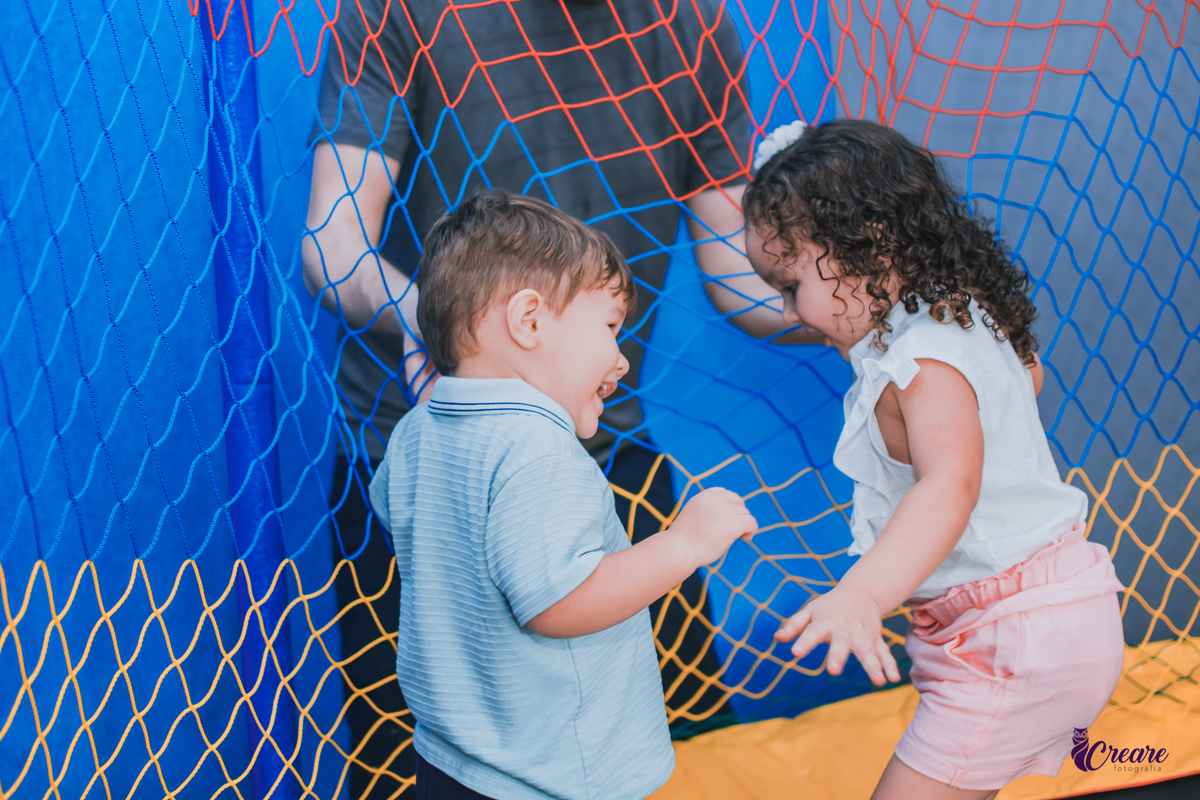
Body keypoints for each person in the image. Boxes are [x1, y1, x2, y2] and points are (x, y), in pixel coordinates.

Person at [303, 2, 816, 793]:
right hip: (430, 444)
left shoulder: (691, 25)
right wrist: (450, 337)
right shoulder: (399, 12)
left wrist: (854, 308)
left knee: (664, 746)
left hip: (601, 443)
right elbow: (333, 241)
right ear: (526, 319)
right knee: (427, 749)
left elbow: (731, 260)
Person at [743, 119, 1125, 799]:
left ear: (867, 245)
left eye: (790, 285)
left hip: (1011, 636)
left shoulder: (923, 358)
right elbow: (1028, 379)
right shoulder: (961, 319)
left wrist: (862, 595)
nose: (790, 312)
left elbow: (951, 485)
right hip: (1034, 621)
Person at [368, 190, 758, 799]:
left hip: (449, 758)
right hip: (549, 776)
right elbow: (560, 604)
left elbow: (399, 514)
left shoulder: (417, 431)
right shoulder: (537, 449)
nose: (621, 361)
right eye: (610, 328)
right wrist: (685, 544)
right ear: (528, 321)